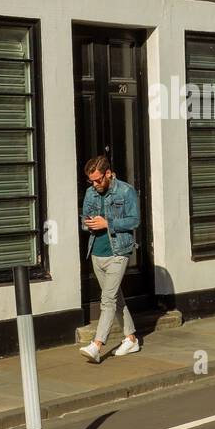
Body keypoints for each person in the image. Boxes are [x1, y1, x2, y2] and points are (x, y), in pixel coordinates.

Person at [79, 155, 141, 362]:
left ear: (108, 173)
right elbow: (84, 221)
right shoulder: (90, 193)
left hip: (118, 252)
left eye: (98, 180)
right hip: (96, 253)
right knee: (116, 297)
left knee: (107, 299)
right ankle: (131, 339)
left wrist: (108, 224)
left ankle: (97, 345)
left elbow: (134, 220)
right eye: (91, 181)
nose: (95, 184)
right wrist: (88, 224)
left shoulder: (125, 191)